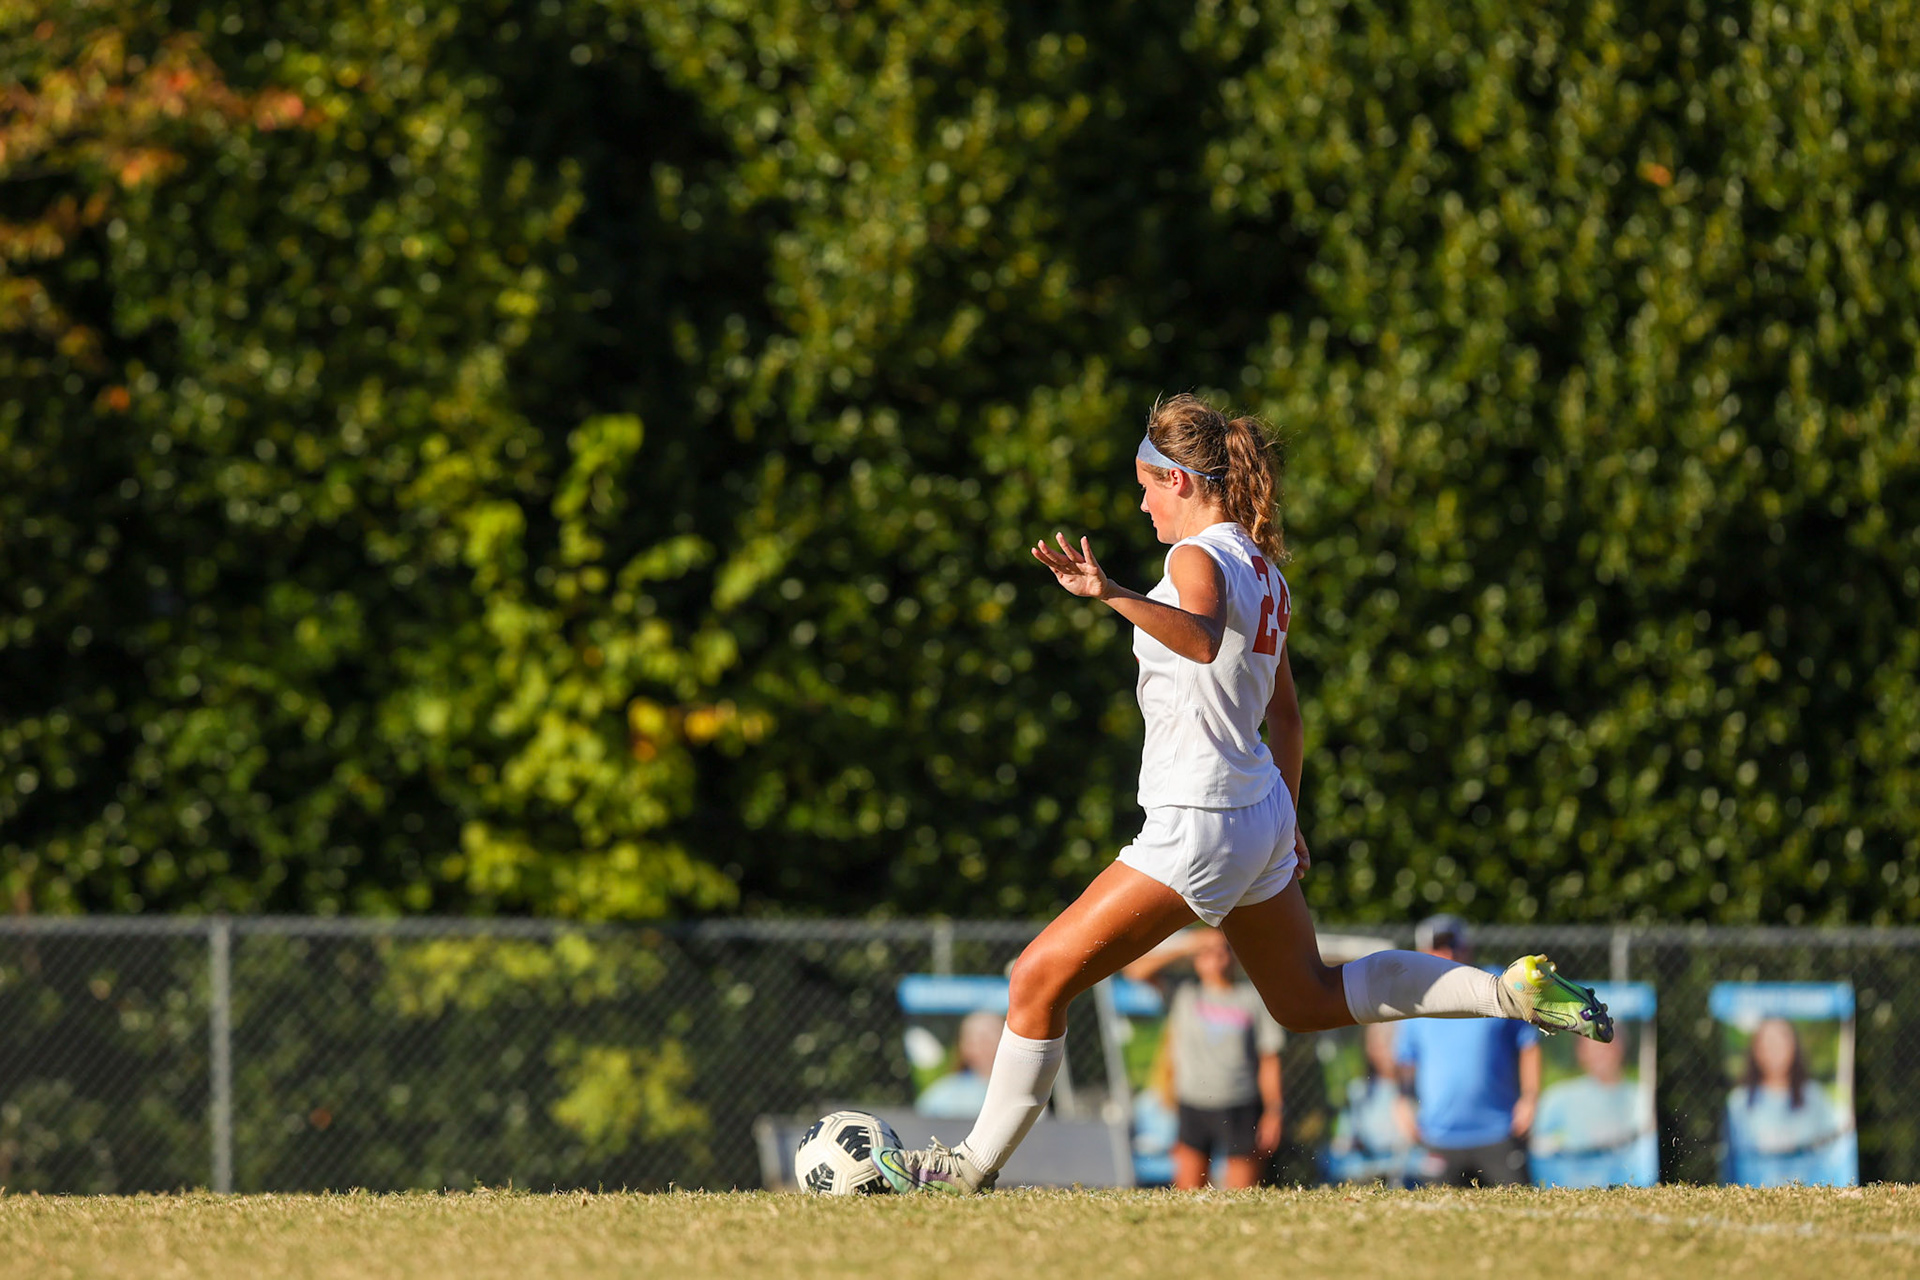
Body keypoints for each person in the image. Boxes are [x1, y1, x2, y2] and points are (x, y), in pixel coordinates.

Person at [873, 394, 1612, 1195]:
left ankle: (967, 1169)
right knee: (1307, 999)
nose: (1143, 501)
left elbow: (1200, 636)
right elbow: (1286, 715)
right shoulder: (1267, 573)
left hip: (1202, 816)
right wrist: (1287, 818)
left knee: (1035, 977)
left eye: (1149, 484)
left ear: (1184, 482)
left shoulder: (1196, 561)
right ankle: (1509, 990)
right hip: (1254, 810)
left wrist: (1110, 592)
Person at [1123, 928, 1284, 1188]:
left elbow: (1269, 1059)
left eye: (1224, 950)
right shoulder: (1183, 994)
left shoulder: (1251, 999)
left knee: (1242, 1196)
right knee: (1189, 1194)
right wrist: (1188, 944)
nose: (1217, 956)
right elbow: (1134, 972)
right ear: (1196, 959)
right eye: (1208, 952)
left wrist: (1274, 1110)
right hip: (1192, 1106)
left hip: (1240, 1105)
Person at [1392, 915, 1541, 1187]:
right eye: (1438, 947)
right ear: (1422, 953)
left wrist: (1530, 1099)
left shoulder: (1496, 987)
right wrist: (1402, 1103)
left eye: (1453, 944)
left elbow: (1528, 1044)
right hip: (1439, 1136)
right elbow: (1405, 1059)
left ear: (1467, 946)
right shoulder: (1413, 1000)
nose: (1448, 953)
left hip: (1499, 1131)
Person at [1725, 1018, 1846, 1180]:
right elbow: (1731, 1162)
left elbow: (1834, 1155)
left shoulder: (1817, 1099)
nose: (1773, 1051)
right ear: (1756, 1051)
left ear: (1793, 1047)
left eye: (1779, 1042)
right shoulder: (1738, 1103)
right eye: (1766, 1044)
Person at [1530, 1030, 1653, 1187]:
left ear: (1620, 1049)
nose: (1600, 1055)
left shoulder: (1641, 1096)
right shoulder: (1558, 1097)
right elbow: (1537, 1144)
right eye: (1593, 1049)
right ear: (1581, 1053)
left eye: (1605, 1048)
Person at [1325, 1022, 1422, 1184]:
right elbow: (1342, 1144)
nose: (1388, 1049)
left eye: (1392, 1040)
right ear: (1370, 1049)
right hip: (1368, 1168)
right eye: (1382, 1042)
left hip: (1410, 1168)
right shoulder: (1359, 1092)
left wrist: (1412, 1128)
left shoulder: (1418, 1090)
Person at [914, 1010, 1006, 1119]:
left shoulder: (1025, 1090)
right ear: (963, 1046)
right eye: (975, 1039)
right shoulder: (941, 1095)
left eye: (989, 1037)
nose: (983, 1046)